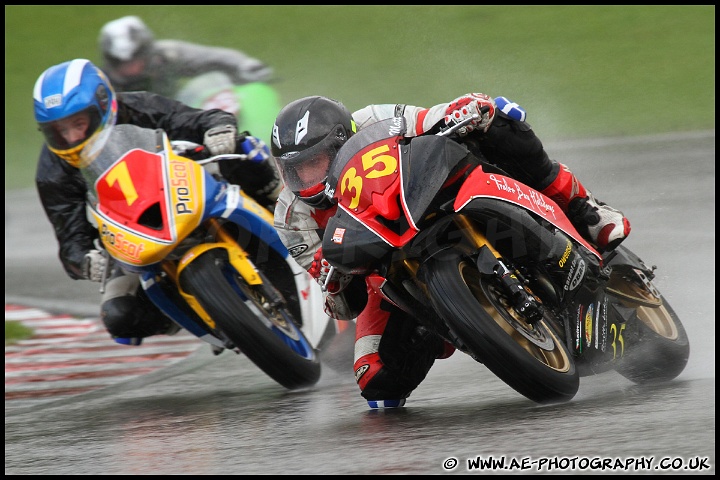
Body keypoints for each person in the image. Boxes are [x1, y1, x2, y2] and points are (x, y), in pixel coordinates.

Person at [269, 94, 631, 408]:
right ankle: (454, 321)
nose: (307, 179)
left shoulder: (374, 120)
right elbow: (342, 303)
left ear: (340, 141)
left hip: (431, 198)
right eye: (296, 171)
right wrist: (333, 282)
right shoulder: (290, 217)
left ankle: (585, 209)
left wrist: (466, 109)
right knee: (376, 383)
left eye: (314, 163)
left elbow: (433, 118)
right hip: (383, 270)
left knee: (498, 121)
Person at [33, 58, 280, 346]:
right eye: (60, 131)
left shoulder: (136, 107)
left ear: (103, 105)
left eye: (78, 123)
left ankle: (283, 208)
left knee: (240, 149)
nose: (72, 136)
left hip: (180, 185)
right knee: (119, 316)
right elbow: (70, 235)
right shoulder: (52, 171)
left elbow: (193, 119)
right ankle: (206, 315)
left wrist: (218, 129)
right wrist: (85, 261)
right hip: (129, 233)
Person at [98, 15, 273, 97]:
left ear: (147, 51)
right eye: (122, 63)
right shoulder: (101, 85)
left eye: (136, 59)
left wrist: (243, 65)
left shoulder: (167, 55)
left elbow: (211, 57)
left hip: (181, 121)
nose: (132, 68)